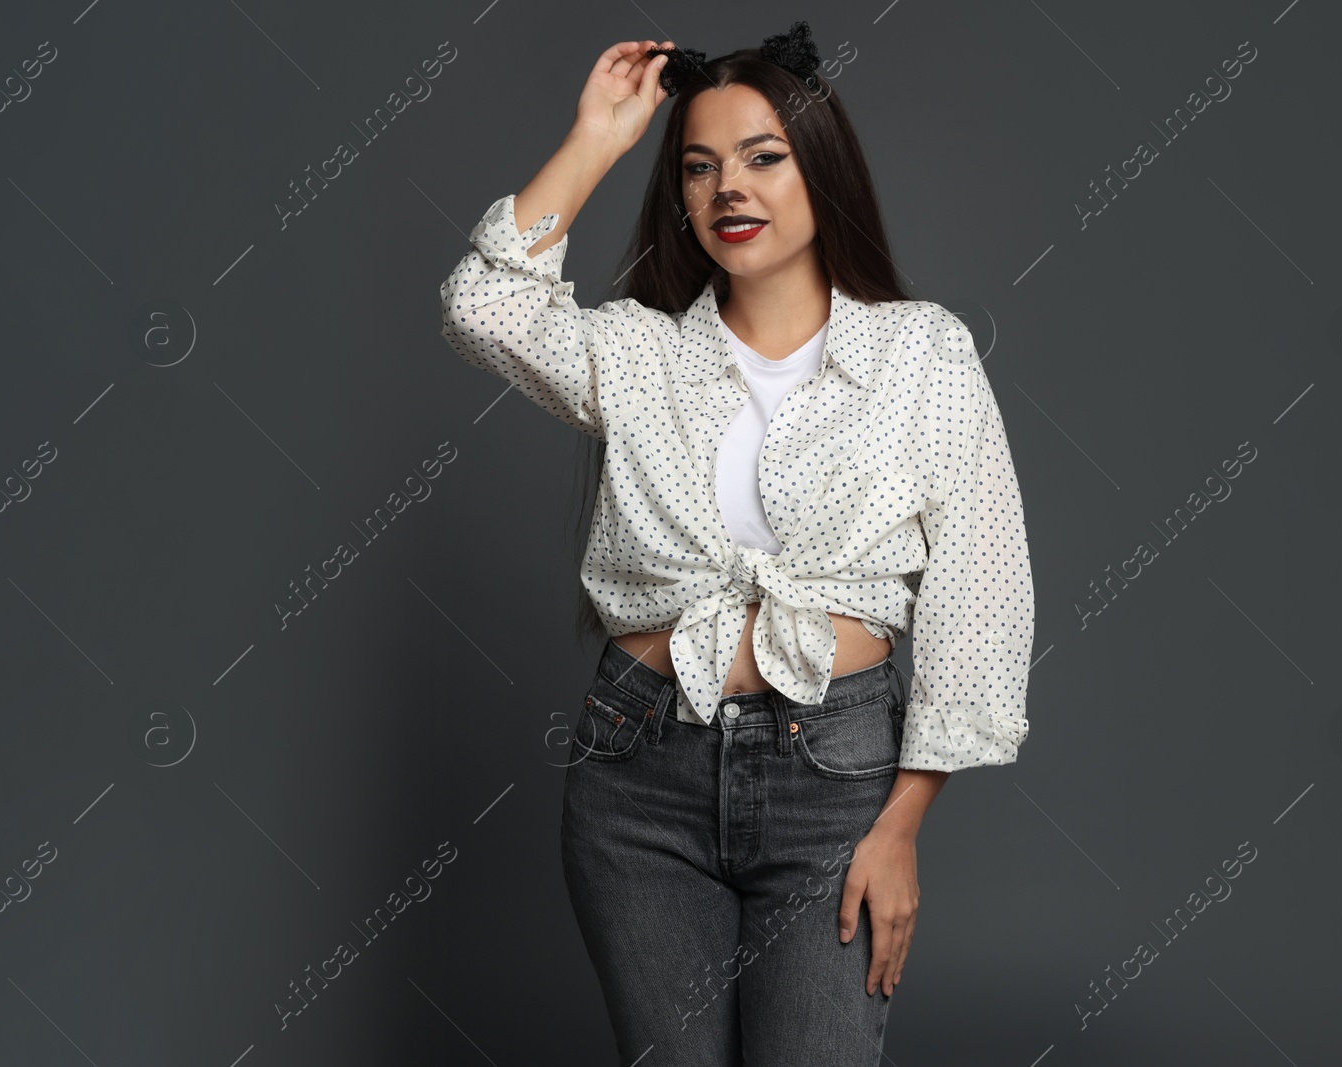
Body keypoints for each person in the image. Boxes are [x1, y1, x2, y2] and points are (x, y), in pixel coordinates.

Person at [437, 22, 1035, 1066]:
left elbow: (981, 590)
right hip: (636, 775)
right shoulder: (638, 350)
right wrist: (597, 138)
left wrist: (899, 826)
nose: (729, 190)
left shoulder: (919, 351)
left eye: (763, 157)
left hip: (834, 779)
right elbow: (484, 306)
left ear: (821, 167)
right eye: (698, 167)